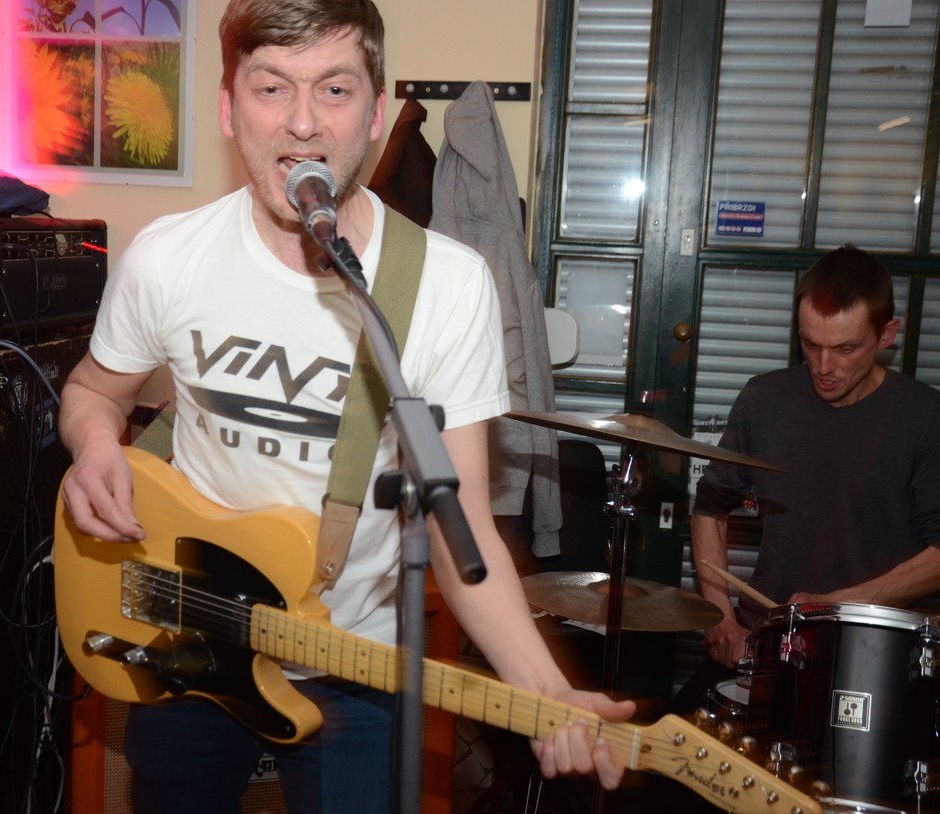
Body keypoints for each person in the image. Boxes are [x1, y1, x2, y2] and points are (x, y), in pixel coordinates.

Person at [56, 1, 634, 812]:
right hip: (187, 630)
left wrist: (546, 692)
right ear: (228, 108)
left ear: (373, 112)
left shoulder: (447, 285)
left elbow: (460, 525)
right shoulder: (167, 258)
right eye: (271, 88)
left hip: (352, 660)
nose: (302, 123)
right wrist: (94, 445)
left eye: (333, 89)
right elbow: (91, 391)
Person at [684, 244, 940, 698]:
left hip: (869, 648)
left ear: (886, 334)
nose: (823, 367)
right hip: (766, 637)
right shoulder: (764, 399)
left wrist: (836, 606)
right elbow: (709, 509)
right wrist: (720, 615)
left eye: (845, 349)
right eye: (810, 344)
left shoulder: (924, 414)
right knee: (673, 733)